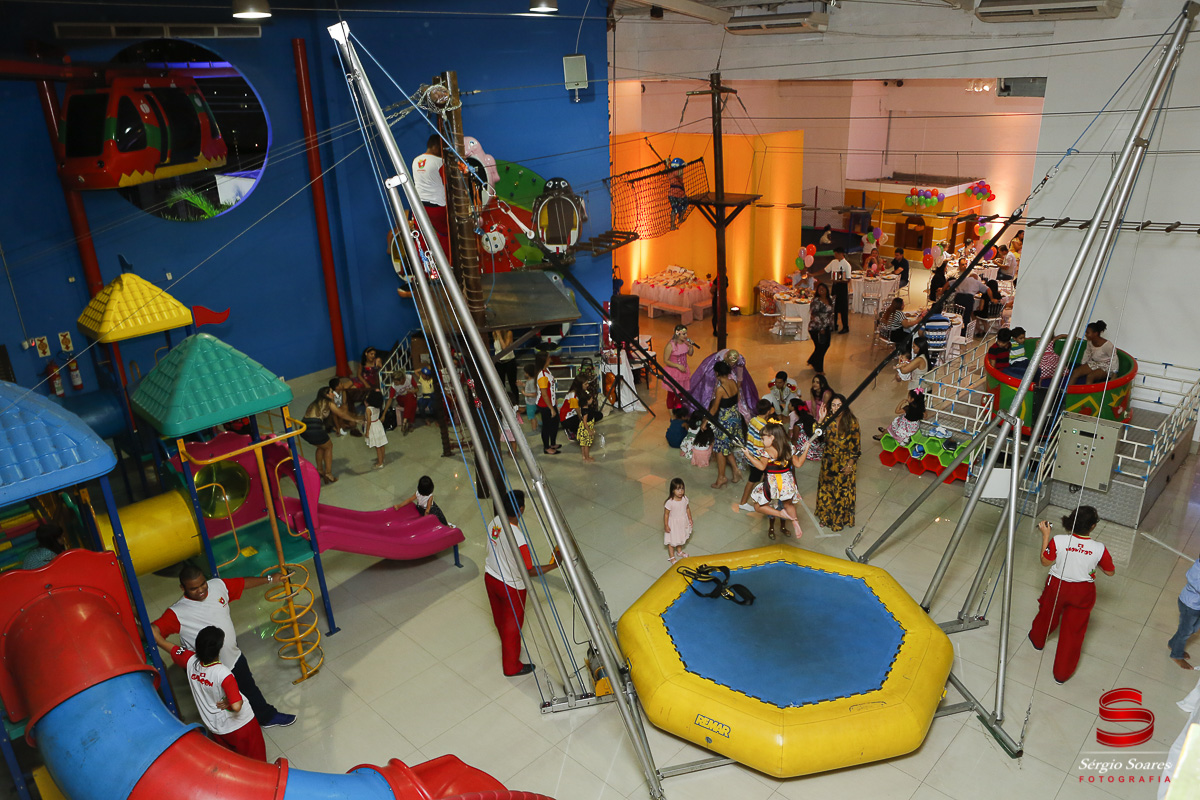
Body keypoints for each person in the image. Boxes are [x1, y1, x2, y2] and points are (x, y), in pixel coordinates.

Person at [152, 563, 295, 729]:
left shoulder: (217, 586)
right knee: (220, 705)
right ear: (182, 588)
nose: (201, 590)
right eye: (193, 588)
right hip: (209, 672)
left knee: (249, 688)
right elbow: (154, 631)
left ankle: (266, 716)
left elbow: (242, 583)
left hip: (233, 657)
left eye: (202, 584)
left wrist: (270, 579)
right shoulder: (177, 613)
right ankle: (231, 730)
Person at [1027, 506, 1115, 683]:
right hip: (1082, 592)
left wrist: (1045, 536)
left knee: (1047, 613)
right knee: (1073, 632)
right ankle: (1061, 674)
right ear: (1092, 526)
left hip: (1057, 586)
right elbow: (1110, 572)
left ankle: (1037, 640)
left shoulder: (1059, 540)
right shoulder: (1099, 548)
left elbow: (1045, 561)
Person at [484, 490, 559, 677]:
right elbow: (528, 571)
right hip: (511, 587)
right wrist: (553, 565)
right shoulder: (519, 539)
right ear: (521, 509)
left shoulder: (494, 522)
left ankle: (508, 646)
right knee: (512, 627)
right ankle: (512, 666)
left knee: (499, 619)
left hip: (491, 577)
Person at [166, 626, 266, 761]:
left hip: (217, 727)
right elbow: (237, 706)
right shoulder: (223, 673)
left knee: (232, 760)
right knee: (257, 761)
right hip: (242, 726)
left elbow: (165, 644)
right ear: (218, 649)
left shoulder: (190, 660)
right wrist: (230, 701)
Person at [742, 421, 813, 540]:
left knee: (758, 506)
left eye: (763, 438)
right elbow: (798, 464)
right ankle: (795, 521)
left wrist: (748, 455)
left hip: (773, 484)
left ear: (772, 437)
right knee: (788, 504)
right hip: (787, 483)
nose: (761, 441)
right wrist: (806, 450)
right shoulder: (789, 448)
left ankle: (780, 513)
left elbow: (761, 467)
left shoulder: (767, 451)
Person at [815, 394, 860, 532]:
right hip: (828, 463)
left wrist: (850, 465)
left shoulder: (852, 422)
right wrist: (820, 421)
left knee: (842, 492)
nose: (836, 408)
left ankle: (839, 520)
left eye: (839, 405)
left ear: (844, 406)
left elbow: (856, 447)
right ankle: (825, 517)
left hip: (845, 463)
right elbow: (818, 438)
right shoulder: (827, 420)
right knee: (827, 491)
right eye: (833, 405)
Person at [302, 387, 362, 484]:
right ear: (326, 395)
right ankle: (328, 473)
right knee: (329, 447)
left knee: (321, 446)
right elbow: (341, 414)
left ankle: (320, 470)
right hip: (314, 428)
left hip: (304, 428)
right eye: (331, 392)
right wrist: (355, 420)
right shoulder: (328, 402)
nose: (333, 394)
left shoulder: (315, 403)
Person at [708, 359, 744, 489]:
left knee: (720, 449)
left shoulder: (720, 389)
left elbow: (714, 409)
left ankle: (721, 477)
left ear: (717, 373)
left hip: (725, 421)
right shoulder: (733, 382)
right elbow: (738, 398)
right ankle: (735, 471)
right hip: (736, 418)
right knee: (726, 447)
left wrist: (705, 421)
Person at [412, 134, 450, 255]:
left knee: (421, 239)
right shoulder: (440, 162)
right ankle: (448, 264)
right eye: (442, 148)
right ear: (436, 146)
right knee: (445, 236)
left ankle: (422, 265)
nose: (443, 152)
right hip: (437, 208)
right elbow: (448, 184)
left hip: (419, 207)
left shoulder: (416, 160)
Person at [737, 399, 777, 513]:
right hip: (758, 458)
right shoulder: (765, 427)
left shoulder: (753, 420)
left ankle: (764, 499)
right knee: (753, 480)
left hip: (750, 453)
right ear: (768, 411)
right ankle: (743, 503)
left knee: (760, 478)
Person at [1168, 556, 1200, 669]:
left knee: (1193, 629)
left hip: (1196, 606)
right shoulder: (1197, 572)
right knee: (1185, 632)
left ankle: (1173, 644)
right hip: (1190, 606)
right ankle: (1176, 655)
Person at [1069, 321, 1117, 385]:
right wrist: (1083, 364)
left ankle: (1087, 391)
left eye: (1087, 333)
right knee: (1075, 372)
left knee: (1090, 376)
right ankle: (1067, 390)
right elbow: (1087, 352)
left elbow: (1114, 358)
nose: (1085, 334)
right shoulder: (1090, 342)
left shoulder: (1107, 345)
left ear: (1095, 333)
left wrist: (1114, 373)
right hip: (1095, 363)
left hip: (1106, 366)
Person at [663, 324, 696, 411]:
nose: (686, 336)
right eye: (683, 334)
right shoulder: (671, 345)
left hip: (683, 371)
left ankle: (678, 410)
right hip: (674, 372)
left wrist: (691, 346)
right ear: (677, 334)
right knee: (672, 393)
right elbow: (666, 360)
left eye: (686, 333)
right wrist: (677, 366)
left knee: (681, 393)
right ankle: (671, 413)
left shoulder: (685, 343)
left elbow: (690, 354)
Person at [806, 282, 836, 374]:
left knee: (825, 345)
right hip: (816, 328)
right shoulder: (816, 301)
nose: (821, 290)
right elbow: (814, 315)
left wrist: (830, 325)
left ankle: (812, 360)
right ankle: (819, 369)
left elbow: (831, 313)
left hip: (827, 327)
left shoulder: (829, 299)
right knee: (820, 348)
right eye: (819, 289)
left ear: (826, 290)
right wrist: (821, 328)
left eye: (823, 288)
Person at [535, 351, 560, 455]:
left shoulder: (547, 371)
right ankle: (546, 447)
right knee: (547, 426)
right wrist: (551, 408)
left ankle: (553, 443)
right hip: (545, 405)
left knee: (555, 423)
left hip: (551, 403)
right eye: (548, 358)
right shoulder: (542, 375)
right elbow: (544, 394)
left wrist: (554, 400)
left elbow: (551, 389)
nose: (550, 359)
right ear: (544, 360)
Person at [663, 478, 693, 563]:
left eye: (682, 489)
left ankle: (679, 552)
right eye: (677, 489)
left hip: (682, 522)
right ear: (672, 490)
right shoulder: (670, 502)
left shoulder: (685, 499)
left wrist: (690, 518)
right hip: (673, 524)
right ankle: (672, 557)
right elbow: (666, 514)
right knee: (672, 540)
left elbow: (687, 508)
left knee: (680, 537)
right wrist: (666, 525)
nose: (680, 492)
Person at [824, 247, 852, 334]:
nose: (835, 255)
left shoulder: (846, 265)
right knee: (833, 306)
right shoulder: (833, 262)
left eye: (836, 254)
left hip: (842, 287)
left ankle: (845, 326)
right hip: (835, 286)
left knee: (843, 307)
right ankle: (834, 324)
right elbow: (825, 270)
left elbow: (848, 279)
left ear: (840, 254)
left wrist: (839, 280)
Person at [383, 369, 418, 434]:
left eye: (396, 382)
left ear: (401, 380)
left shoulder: (409, 378)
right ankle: (409, 422)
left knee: (411, 401)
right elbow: (390, 400)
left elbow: (417, 389)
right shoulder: (393, 386)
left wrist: (411, 391)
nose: (395, 383)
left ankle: (405, 421)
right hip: (401, 398)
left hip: (411, 395)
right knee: (412, 403)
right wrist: (384, 414)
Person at [364, 389, 388, 469]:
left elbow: (369, 421)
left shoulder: (368, 409)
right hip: (378, 424)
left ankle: (380, 463)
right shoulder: (377, 407)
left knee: (377, 446)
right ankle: (382, 459)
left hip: (373, 427)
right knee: (381, 444)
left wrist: (367, 432)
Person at [493, 331, 518, 402]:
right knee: (501, 384)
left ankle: (516, 402)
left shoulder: (508, 333)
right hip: (499, 362)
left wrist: (499, 335)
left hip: (509, 361)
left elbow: (504, 348)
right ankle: (503, 403)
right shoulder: (494, 333)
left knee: (512, 384)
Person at [522, 363, 539, 432]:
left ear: (528, 373)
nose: (524, 374)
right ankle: (536, 427)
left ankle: (534, 430)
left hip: (531, 403)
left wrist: (524, 393)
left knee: (532, 417)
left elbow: (534, 394)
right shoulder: (531, 381)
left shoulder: (531, 382)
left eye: (525, 373)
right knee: (533, 416)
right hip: (532, 402)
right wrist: (522, 384)